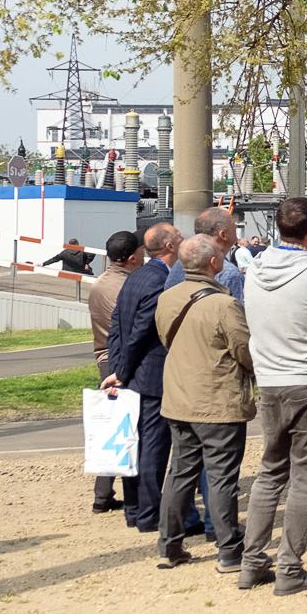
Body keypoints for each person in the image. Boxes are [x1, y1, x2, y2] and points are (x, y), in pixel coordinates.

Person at [239, 198, 307, 595]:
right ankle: (290, 568)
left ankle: (251, 562)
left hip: (270, 382)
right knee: (306, 476)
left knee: (270, 471)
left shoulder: (254, 268)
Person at [154, 234, 255, 572]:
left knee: (180, 473)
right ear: (213, 263)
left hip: (179, 397)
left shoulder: (167, 298)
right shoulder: (223, 304)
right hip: (217, 400)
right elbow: (245, 350)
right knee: (222, 477)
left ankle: (169, 545)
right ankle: (228, 551)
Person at [104, 221, 201, 535]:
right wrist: (123, 371)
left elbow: (117, 326)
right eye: (178, 236)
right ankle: (148, 514)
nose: (183, 239)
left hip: (134, 374)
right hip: (151, 375)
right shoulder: (160, 280)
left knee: (137, 446)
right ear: (170, 247)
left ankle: (134, 509)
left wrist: (119, 369)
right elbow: (140, 332)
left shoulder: (137, 276)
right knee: (153, 449)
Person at [88, 230, 146, 514]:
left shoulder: (100, 283)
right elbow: (133, 329)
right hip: (122, 361)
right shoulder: (128, 287)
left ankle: (102, 495)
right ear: (134, 257)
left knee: (114, 426)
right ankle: (137, 497)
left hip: (104, 358)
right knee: (133, 428)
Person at [167, 207, 245, 302]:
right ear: (223, 235)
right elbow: (236, 313)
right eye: (233, 225)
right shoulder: (231, 274)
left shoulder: (180, 264)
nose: (236, 227)